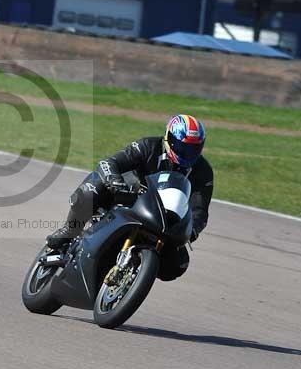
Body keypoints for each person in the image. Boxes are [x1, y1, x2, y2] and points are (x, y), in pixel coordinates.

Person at [46, 114, 213, 282]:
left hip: (162, 216)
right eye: (182, 147)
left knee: (177, 265)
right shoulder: (148, 146)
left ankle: (136, 271)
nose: (187, 153)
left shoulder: (203, 171)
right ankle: (69, 230)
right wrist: (114, 181)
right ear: (169, 138)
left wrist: (192, 230)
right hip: (127, 195)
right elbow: (109, 163)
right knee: (91, 190)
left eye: (193, 148)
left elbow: (200, 209)